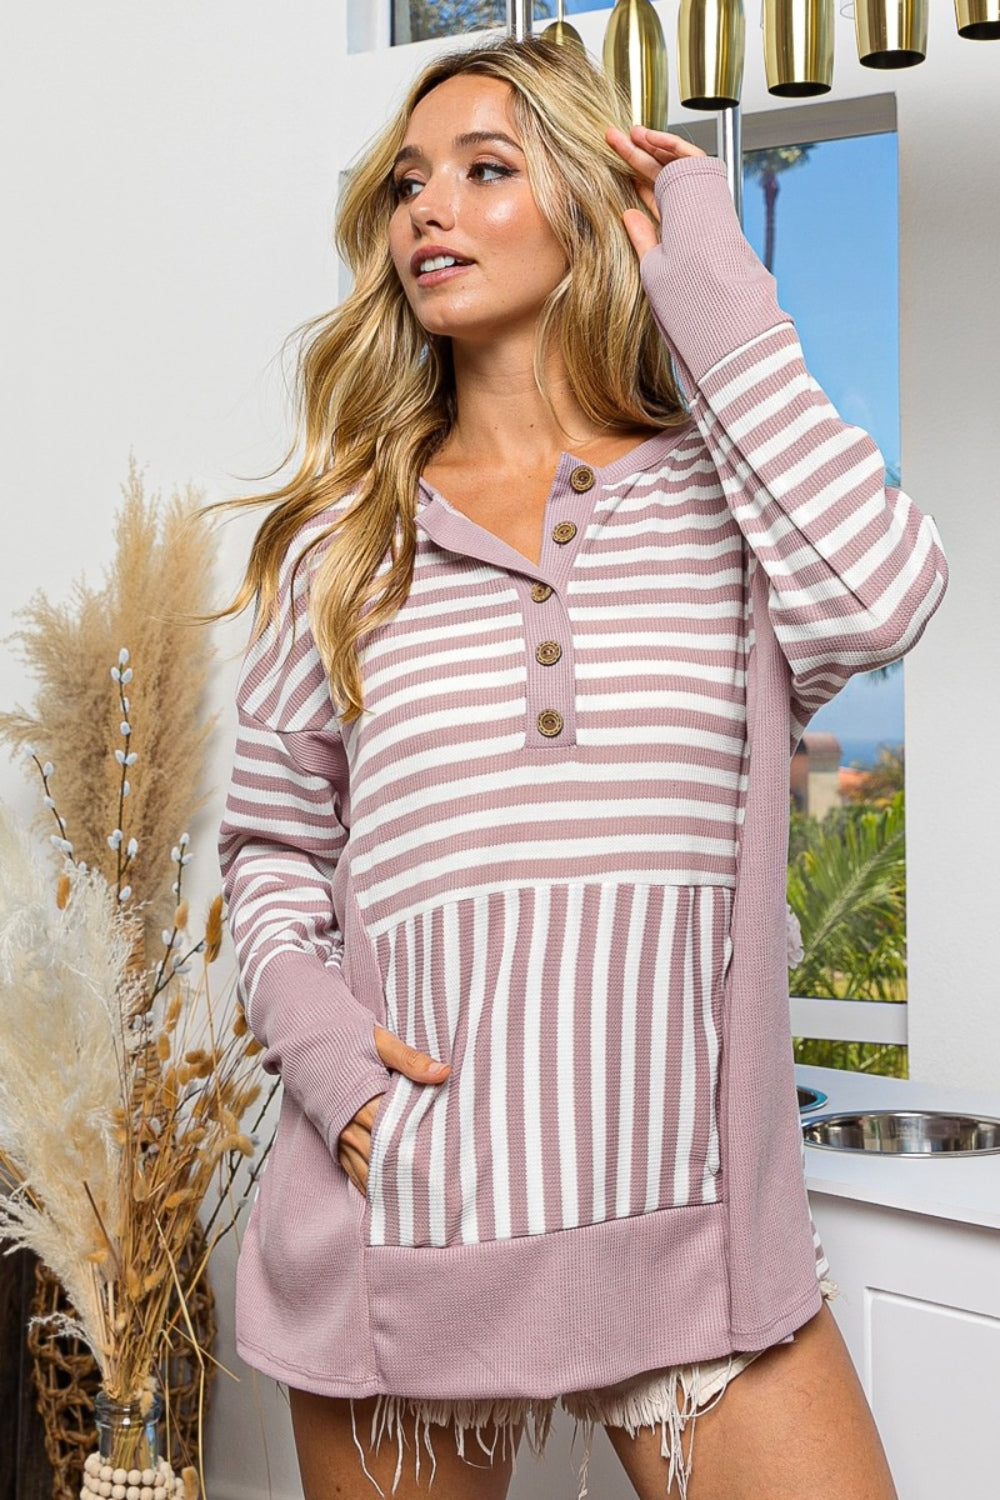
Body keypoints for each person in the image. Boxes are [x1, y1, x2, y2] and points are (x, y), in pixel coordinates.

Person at [217, 35, 947, 1500]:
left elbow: (881, 596)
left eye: (485, 170)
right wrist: (332, 1065)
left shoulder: (721, 500)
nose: (430, 209)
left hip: (692, 1225)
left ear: (590, 207)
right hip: (409, 1216)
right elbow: (273, 847)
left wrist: (716, 295)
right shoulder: (344, 543)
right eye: (408, 184)